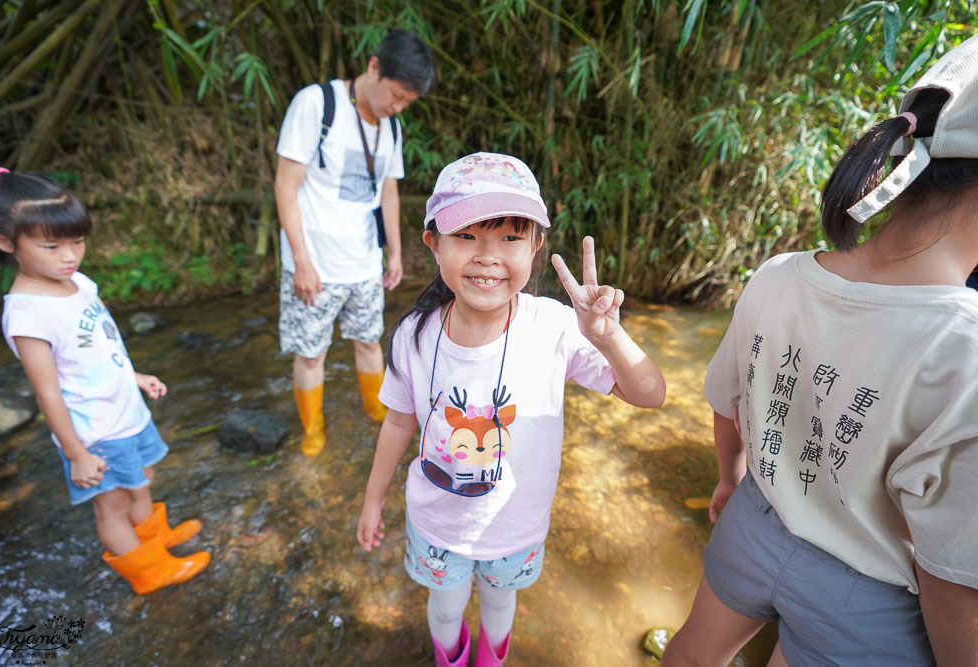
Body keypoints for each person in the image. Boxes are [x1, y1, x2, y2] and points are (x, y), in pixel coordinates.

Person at [662, 36, 978, 667]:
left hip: (754, 519)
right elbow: (951, 576)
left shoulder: (779, 274)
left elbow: (727, 402)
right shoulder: (963, 350)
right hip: (869, 592)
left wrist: (730, 478)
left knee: (692, 653)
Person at [356, 152, 666, 666]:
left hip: (516, 529)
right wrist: (372, 501)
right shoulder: (414, 335)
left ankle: (490, 661)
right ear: (433, 242)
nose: (487, 256)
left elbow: (649, 393)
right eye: (467, 236)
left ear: (536, 244)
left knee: (501, 602)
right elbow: (397, 420)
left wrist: (610, 338)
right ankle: (450, 659)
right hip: (436, 525)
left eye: (509, 237)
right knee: (446, 603)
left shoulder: (554, 327)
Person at [0, 169, 210, 595]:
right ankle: (151, 572)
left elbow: (99, 344)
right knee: (113, 505)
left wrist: (134, 375)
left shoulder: (76, 282)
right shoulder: (28, 315)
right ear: (4, 242)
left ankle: (156, 537)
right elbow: (47, 392)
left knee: (142, 479)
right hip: (95, 432)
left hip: (126, 410)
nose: (70, 256)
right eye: (51, 246)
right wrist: (77, 453)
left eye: (77, 242)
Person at [274, 30, 435, 456]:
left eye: (406, 103)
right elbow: (286, 187)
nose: (397, 107)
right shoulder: (316, 104)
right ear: (373, 66)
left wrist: (395, 253)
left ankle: (375, 412)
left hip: (364, 261)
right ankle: (313, 431)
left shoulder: (392, 127)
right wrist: (302, 263)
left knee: (369, 341)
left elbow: (389, 192)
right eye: (396, 95)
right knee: (311, 354)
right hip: (315, 263)